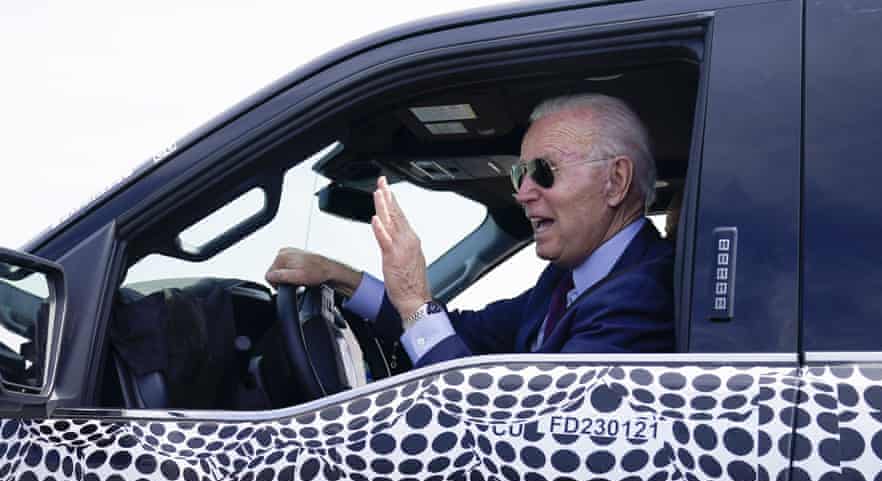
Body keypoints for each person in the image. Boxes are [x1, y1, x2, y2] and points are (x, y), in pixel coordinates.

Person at [267, 93, 674, 368]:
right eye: (520, 174)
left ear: (616, 181)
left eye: (543, 172)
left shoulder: (642, 297)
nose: (522, 193)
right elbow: (461, 332)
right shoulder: (569, 282)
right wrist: (341, 277)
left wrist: (413, 302)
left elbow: (516, 445)